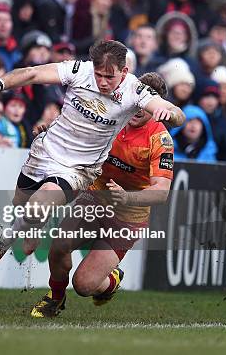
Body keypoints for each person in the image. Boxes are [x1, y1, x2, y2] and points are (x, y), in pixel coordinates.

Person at [0, 40, 185, 268]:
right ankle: (33, 226)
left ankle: (2, 243)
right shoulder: (78, 70)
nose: (102, 82)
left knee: (38, 206)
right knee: (21, 203)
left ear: (124, 71)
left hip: (79, 169)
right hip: (46, 149)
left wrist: (169, 112)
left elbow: (176, 113)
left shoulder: (135, 90)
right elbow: (32, 74)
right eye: (98, 74)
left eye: (109, 77)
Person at [31, 72, 175, 318]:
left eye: (148, 103)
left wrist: (127, 197)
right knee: (58, 247)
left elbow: (161, 193)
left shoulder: (160, 140)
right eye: (139, 99)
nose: (140, 107)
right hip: (95, 198)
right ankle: (54, 298)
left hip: (128, 217)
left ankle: (112, 280)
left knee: (84, 285)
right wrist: (51, 137)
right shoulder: (111, 116)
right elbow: (75, 135)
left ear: (158, 107)